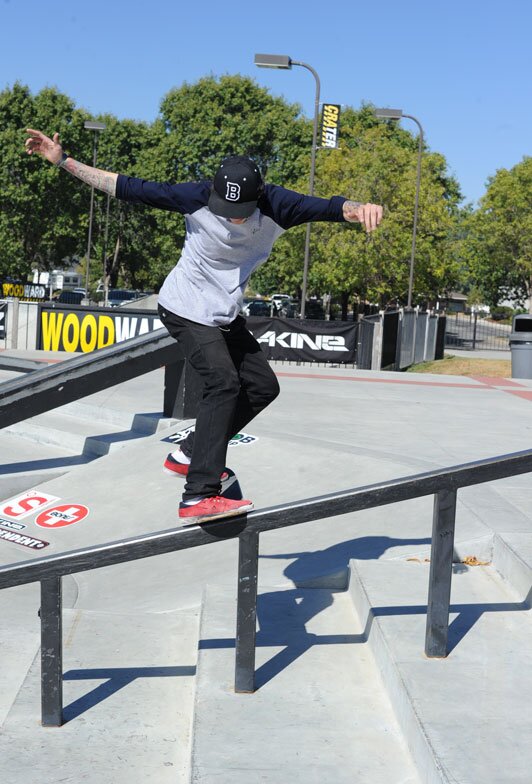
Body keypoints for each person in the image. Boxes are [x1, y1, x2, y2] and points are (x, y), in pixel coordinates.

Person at [25, 129, 383, 524]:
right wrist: (63, 161)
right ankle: (198, 495)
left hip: (223, 314)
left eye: (241, 211)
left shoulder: (281, 205)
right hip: (184, 307)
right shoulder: (194, 196)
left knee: (263, 386)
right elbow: (127, 187)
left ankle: (190, 452)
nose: (231, 217)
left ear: (259, 197)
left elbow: (334, 208)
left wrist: (360, 208)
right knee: (223, 382)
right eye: (223, 209)